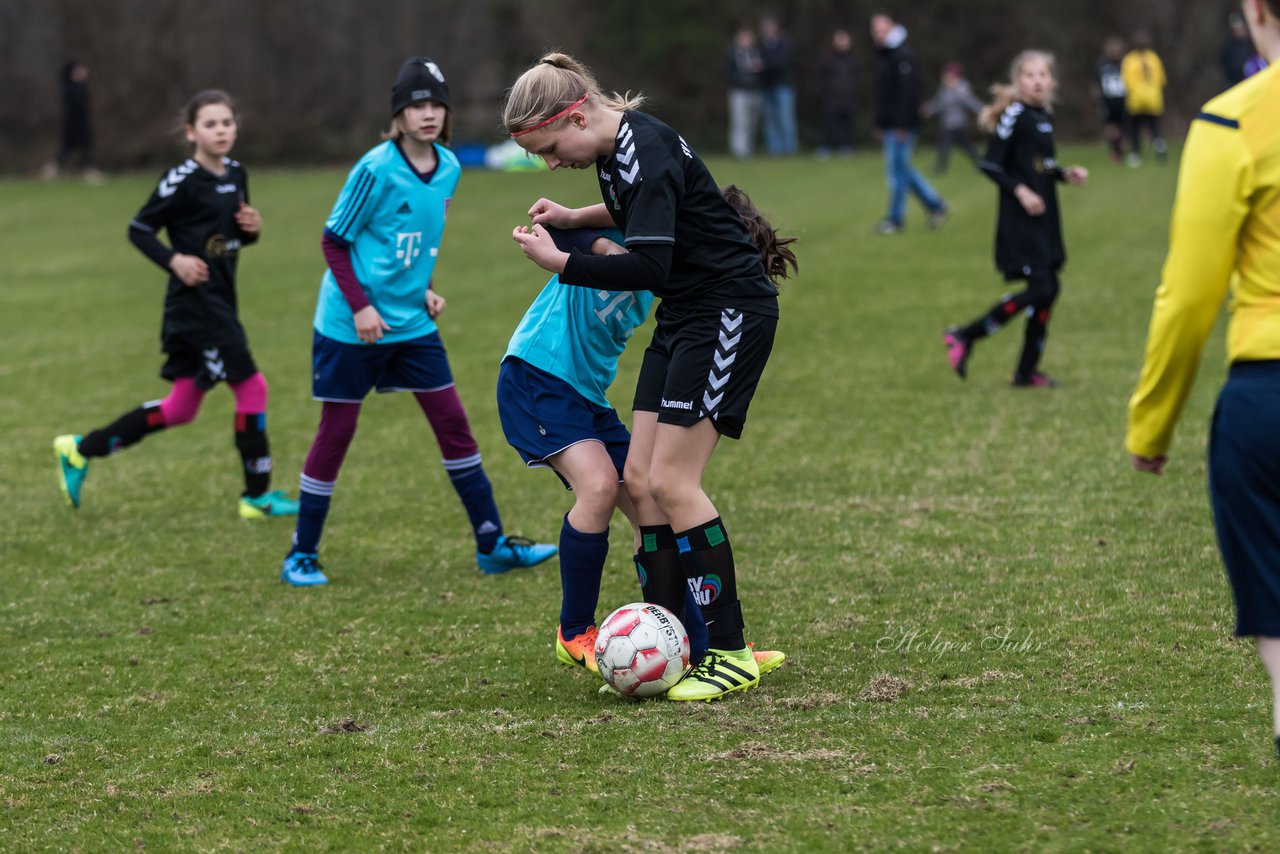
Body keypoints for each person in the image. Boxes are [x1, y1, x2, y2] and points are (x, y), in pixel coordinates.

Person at [503, 53, 795, 701]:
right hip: (686, 315)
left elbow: (652, 264)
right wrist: (577, 221)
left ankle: (729, 650)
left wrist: (561, 263)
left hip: (726, 311)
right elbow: (641, 213)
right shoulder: (616, 149)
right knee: (639, 479)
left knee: (671, 481)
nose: (551, 163)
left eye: (549, 148)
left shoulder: (645, 148)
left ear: (577, 114)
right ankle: (676, 640)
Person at [279, 57, 557, 587]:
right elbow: (335, 242)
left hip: (410, 325)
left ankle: (492, 544)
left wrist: (421, 289)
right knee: (335, 433)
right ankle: (301, 555)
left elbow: (409, 245)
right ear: (399, 114)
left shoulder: (449, 168)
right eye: (416, 105)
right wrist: (362, 306)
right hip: (349, 324)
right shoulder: (374, 168)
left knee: (454, 426)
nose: (428, 114)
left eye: (436, 105)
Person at [1126, 0, 1280, 763]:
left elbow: (1189, 298)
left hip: (1268, 404)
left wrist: (1151, 426)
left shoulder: (1231, 124)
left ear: (1256, 10)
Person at [54, 90, 298, 520]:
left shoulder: (237, 173)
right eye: (210, 124)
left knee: (181, 409)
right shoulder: (181, 179)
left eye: (227, 122)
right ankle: (256, 498)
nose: (220, 131)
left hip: (220, 299)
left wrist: (254, 227)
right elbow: (139, 228)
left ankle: (79, 449)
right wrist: (175, 260)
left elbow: (232, 236)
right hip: (197, 308)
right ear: (191, 132)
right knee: (252, 387)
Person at [942, 51, 1088, 387]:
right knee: (1041, 287)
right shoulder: (1016, 115)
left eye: (1043, 75)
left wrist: (1065, 174)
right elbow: (991, 163)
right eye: (1030, 75)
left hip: (1045, 217)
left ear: (1052, 81)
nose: (1037, 81)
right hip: (1021, 220)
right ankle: (965, 335)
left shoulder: (1042, 116)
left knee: (1049, 288)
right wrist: (1021, 191)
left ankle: (1025, 371)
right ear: (1017, 81)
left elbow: (1039, 165)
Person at [870, 13, 949, 234]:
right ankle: (936, 205)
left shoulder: (902, 55)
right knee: (901, 170)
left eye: (882, 30)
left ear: (892, 28)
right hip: (891, 125)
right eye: (875, 30)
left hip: (901, 126)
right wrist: (881, 124)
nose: (878, 34)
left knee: (896, 173)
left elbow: (908, 94)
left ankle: (895, 220)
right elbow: (884, 95)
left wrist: (903, 125)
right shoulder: (885, 55)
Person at [42, 60, 102, 182]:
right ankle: (87, 171)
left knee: (80, 148)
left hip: (79, 123)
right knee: (72, 148)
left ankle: (53, 169)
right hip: (73, 124)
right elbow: (76, 107)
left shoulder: (79, 87)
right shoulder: (70, 89)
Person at [921, 62, 983, 174]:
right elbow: (939, 104)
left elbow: (971, 102)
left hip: (958, 124)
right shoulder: (945, 90)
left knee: (952, 145)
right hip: (948, 124)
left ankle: (940, 168)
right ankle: (980, 163)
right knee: (962, 146)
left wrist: (983, 111)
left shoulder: (961, 89)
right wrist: (928, 109)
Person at [1121, 31, 1168, 166]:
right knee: (1154, 128)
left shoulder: (1130, 59)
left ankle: (1137, 154)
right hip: (1153, 99)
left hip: (1136, 100)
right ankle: (1158, 150)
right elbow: (1162, 79)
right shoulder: (1154, 58)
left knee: (1136, 128)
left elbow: (1126, 81)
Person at [758, 15, 799, 156]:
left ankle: (789, 149)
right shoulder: (760, 46)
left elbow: (781, 63)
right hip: (766, 87)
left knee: (786, 119)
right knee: (770, 121)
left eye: (771, 27)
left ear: (776, 28)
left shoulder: (784, 44)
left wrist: (764, 66)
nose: (769, 30)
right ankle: (775, 150)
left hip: (783, 87)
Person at [723, 24, 764, 159]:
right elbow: (727, 72)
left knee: (753, 122)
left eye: (748, 38)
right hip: (739, 92)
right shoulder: (732, 54)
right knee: (740, 122)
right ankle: (740, 151)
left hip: (755, 91)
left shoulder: (757, 53)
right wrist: (739, 80)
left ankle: (749, 149)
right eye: (743, 38)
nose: (745, 40)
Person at [817, 29, 858, 158]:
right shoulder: (828, 60)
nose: (841, 43)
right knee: (830, 123)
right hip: (832, 98)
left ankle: (846, 147)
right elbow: (822, 78)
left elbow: (857, 78)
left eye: (844, 40)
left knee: (847, 124)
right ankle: (827, 147)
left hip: (848, 98)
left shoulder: (853, 61)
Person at [1092, 37, 1130, 164]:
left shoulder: (1125, 63)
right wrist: (1098, 99)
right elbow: (1096, 83)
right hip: (1107, 100)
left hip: (1123, 99)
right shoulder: (1101, 64)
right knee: (1110, 127)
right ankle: (1116, 151)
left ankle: (1120, 148)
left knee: (1123, 126)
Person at [1220, 12, 1256, 87]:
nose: (1240, 29)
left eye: (1241, 26)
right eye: (1237, 28)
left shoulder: (1254, 41)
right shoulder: (1229, 48)